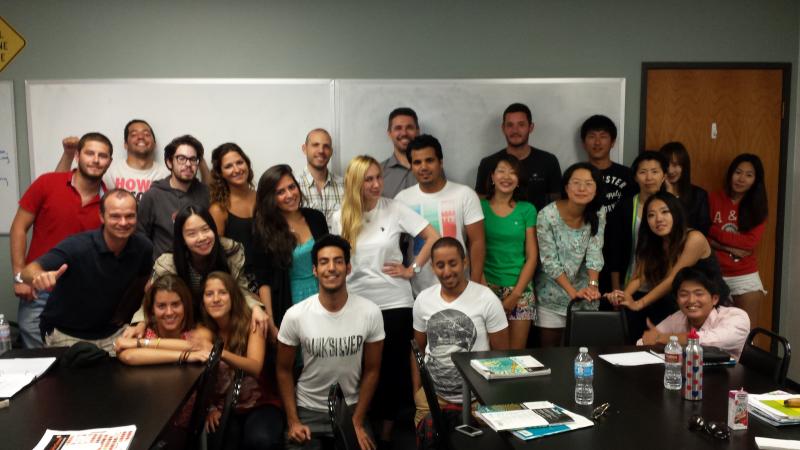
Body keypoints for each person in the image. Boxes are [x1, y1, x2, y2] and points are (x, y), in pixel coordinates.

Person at [330, 155, 438, 446]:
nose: (377, 184)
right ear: (356, 182)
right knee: (359, 368)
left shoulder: (394, 209)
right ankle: (361, 423)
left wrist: (412, 269)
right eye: (369, 179)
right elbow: (336, 258)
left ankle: (387, 436)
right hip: (356, 303)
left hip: (394, 303)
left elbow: (432, 236)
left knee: (391, 370)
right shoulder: (339, 217)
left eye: (379, 177)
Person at [276, 235, 384, 450]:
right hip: (307, 410)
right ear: (315, 270)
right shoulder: (296, 315)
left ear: (348, 268)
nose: (331, 268)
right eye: (324, 262)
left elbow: (372, 370)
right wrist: (293, 421)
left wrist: (357, 421)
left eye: (338, 261)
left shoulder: (370, 312)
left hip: (351, 409)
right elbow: (283, 370)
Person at [10, 132, 113, 348]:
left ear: (109, 162)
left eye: (102, 156)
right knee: (38, 359)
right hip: (38, 287)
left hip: (84, 294)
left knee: (75, 358)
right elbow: (19, 227)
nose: (96, 160)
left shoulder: (111, 203)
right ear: (77, 156)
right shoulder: (47, 183)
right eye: (90, 153)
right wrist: (20, 276)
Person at [21, 190, 152, 354]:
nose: (123, 222)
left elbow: (143, 288)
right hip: (68, 334)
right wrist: (39, 276)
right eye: (115, 216)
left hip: (115, 333)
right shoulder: (77, 246)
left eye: (130, 216)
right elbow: (28, 271)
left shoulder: (143, 247)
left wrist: (139, 321)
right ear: (102, 217)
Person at [412, 238, 508, 435]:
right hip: (433, 398)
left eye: (453, 263)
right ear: (432, 267)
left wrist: (492, 399)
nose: (447, 271)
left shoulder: (487, 299)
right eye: (440, 265)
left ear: (465, 262)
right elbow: (418, 349)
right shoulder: (423, 300)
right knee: (429, 443)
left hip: (477, 399)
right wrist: (417, 391)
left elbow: (502, 355)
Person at [125, 205, 267, 338]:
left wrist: (256, 308)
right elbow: (153, 298)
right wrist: (140, 323)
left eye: (205, 230)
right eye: (192, 234)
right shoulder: (168, 263)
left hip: (221, 321)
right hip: (183, 324)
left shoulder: (230, 252)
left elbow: (241, 289)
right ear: (182, 239)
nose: (202, 238)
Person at [609, 192, 727, 344]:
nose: (658, 219)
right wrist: (624, 296)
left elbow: (673, 278)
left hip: (707, 302)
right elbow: (639, 276)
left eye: (665, 212)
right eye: (651, 215)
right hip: (677, 301)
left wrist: (639, 304)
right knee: (639, 328)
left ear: (676, 213)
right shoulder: (653, 241)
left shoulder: (694, 238)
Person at [197, 271, 284, 450]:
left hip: (260, 404)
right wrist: (210, 408)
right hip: (224, 408)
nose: (216, 299)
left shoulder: (252, 323)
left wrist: (219, 353)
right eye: (209, 294)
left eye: (222, 292)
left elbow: (255, 366)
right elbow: (201, 378)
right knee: (218, 439)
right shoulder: (204, 330)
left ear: (233, 297)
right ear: (203, 301)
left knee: (259, 439)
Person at [396, 134, 485, 295]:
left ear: (441, 162)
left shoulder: (465, 195)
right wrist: (410, 270)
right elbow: (393, 243)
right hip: (418, 291)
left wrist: (475, 285)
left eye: (429, 160)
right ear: (411, 166)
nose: (423, 167)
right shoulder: (402, 199)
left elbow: (477, 242)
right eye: (417, 162)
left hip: (461, 288)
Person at [252, 164, 328, 341]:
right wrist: (271, 322)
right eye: (280, 192)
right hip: (289, 300)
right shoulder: (264, 230)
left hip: (323, 295)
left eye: (292, 187)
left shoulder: (316, 218)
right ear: (270, 198)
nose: (289, 195)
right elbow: (264, 282)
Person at [535, 163, 605, 347]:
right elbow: (549, 261)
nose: (582, 188)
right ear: (566, 187)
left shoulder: (599, 212)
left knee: (582, 352)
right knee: (550, 353)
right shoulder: (546, 215)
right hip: (551, 293)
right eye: (576, 183)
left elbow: (595, 251)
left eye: (588, 184)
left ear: (596, 189)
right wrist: (573, 293)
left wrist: (592, 286)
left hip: (585, 294)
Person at [480, 154, 538, 349]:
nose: (506, 177)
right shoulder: (479, 207)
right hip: (486, 287)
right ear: (492, 177)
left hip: (520, 290)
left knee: (515, 355)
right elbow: (473, 251)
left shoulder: (527, 210)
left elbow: (532, 256)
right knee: (489, 355)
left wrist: (515, 294)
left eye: (513, 173)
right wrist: (484, 290)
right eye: (501, 171)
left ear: (519, 180)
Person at [637, 265, 750, 360]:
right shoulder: (679, 317)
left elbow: (710, 340)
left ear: (714, 299)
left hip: (730, 377)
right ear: (677, 299)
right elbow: (644, 341)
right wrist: (657, 338)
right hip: (689, 376)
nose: (691, 300)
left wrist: (663, 338)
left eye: (699, 294)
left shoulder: (737, 317)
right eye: (684, 294)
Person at [709, 154, 768, 330]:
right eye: (738, 172)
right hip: (713, 274)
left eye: (749, 175)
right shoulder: (713, 198)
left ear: (755, 180)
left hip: (744, 276)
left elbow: (749, 243)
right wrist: (729, 247)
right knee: (714, 334)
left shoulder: (758, 206)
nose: (741, 179)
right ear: (730, 173)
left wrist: (714, 232)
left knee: (747, 334)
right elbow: (702, 234)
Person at [580, 115, 636, 293]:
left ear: (613, 142)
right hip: (585, 250)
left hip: (622, 249)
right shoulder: (577, 175)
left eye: (603, 136)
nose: (597, 142)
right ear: (583, 142)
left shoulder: (628, 175)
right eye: (592, 136)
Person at [475, 102, 561, 212]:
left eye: (521, 125)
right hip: (498, 222)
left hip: (539, 222)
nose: (515, 130)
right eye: (510, 125)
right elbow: (480, 203)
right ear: (503, 128)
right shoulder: (488, 163)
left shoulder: (548, 161)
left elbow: (557, 203)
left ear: (531, 127)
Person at [56, 120, 169, 201]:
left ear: (154, 144)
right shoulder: (108, 170)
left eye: (146, 134)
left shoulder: (166, 174)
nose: (141, 137)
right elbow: (58, 185)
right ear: (125, 144)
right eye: (134, 134)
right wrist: (68, 154)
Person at [138, 134, 210, 259]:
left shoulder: (205, 193)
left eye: (193, 159)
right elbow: (140, 238)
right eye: (181, 158)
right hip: (164, 268)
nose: (188, 164)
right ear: (169, 162)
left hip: (198, 266)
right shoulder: (153, 196)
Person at [606, 151, 668, 291]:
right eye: (643, 172)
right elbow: (614, 250)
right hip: (629, 285)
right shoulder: (624, 207)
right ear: (635, 177)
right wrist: (616, 289)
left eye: (654, 172)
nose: (649, 177)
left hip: (664, 286)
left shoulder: (673, 207)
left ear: (664, 176)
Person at [115, 274, 208, 365]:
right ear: (152, 309)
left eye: (175, 304)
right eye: (161, 306)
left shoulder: (196, 333)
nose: (169, 312)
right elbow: (128, 356)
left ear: (185, 305)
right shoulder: (140, 334)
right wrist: (186, 356)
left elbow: (197, 346)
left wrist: (141, 343)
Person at [208, 143, 258, 294]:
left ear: (247, 164)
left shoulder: (263, 198)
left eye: (239, 162)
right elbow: (216, 256)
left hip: (272, 278)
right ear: (220, 173)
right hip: (240, 285)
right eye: (228, 166)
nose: (236, 170)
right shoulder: (219, 209)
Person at [660, 142, 710, 235]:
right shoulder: (657, 194)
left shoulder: (699, 195)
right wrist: (669, 194)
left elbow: (703, 230)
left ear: (684, 166)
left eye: (675, 165)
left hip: (691, 242)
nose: (670, 170)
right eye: (666, 166)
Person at [297, 128, 344, 226]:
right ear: (304, 149)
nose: (321, 150)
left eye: (326, 146)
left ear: (331, 151)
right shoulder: (293, 187)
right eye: (315, 145)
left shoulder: (345, 186)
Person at [381, 107, 420, 198]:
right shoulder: (378, 172)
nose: (404, 133)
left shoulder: (432, 169)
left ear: (417, 131)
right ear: (389, 133)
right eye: (398, 128)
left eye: (409, 128)